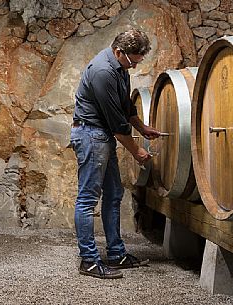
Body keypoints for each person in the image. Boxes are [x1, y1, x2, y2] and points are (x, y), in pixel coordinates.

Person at [70, 28, 161, 279]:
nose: (135, 65)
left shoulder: (120, 68)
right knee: (88, 200)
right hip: (90, 135)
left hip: (101, 135)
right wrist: (137, 151)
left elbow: (125, 106)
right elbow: (116, 124)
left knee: (114, 194)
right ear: (118, 51)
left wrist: (143, 128)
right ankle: (88, 260)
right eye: (133, 60)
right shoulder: (103, 72)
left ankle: (116, 254)